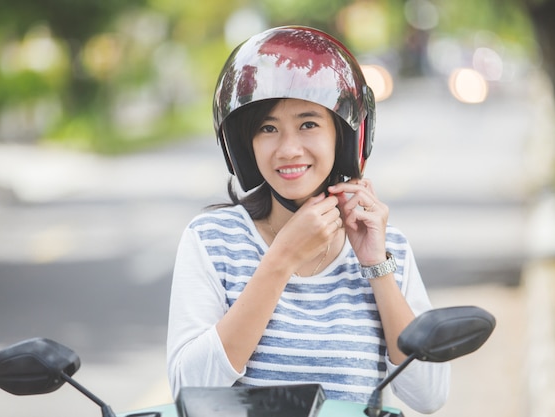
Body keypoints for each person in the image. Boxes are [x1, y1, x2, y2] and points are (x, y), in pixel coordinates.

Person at [166, 25, 450, 414]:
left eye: (308, 124)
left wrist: (376, 266)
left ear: (344, 137)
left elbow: (429, 395)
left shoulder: (388, 248)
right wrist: (281, 260)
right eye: (268, 128)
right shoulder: (214, 241)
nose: (288, 149)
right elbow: (189, 387)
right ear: (245, 147)